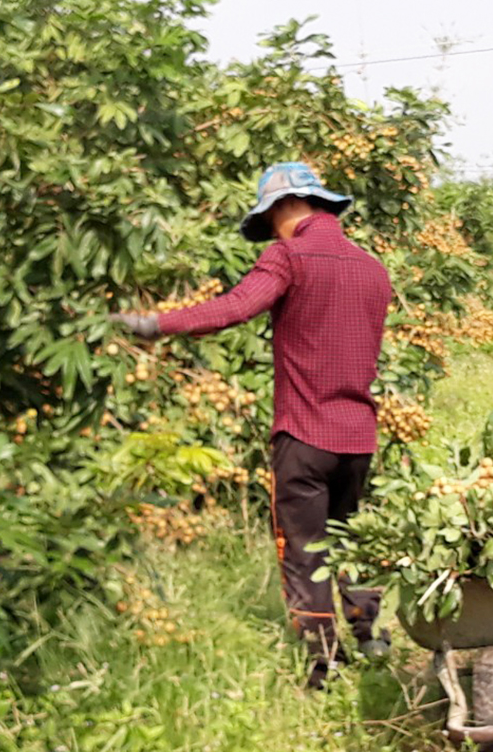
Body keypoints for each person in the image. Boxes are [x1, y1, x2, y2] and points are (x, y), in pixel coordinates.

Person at [111, 162, 393, 690]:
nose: (272, 233)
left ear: (285, 209)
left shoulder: (288, 255)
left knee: (305, 548)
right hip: (359, 437)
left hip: (305, 435)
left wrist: (154, 325)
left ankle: (322, 662)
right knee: (352, 535)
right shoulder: (372, 269)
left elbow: (235, 308)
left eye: (271, 221)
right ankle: (369, 635)